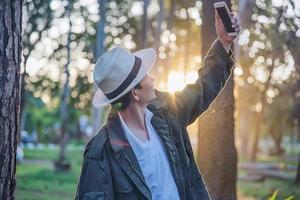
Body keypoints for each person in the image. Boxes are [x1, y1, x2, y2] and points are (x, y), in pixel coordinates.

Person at [75, 9, 241, 200]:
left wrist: (223, 42)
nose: (152, 78)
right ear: (135, 93)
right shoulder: (100, 152)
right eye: (145, 75)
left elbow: (202, 88)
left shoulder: (168, 112)